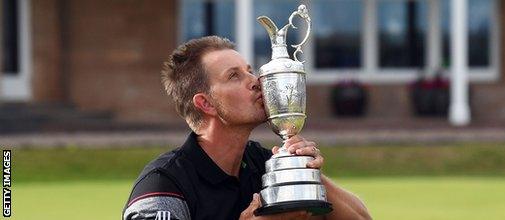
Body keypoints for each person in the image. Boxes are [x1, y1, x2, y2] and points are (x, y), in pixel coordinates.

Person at [122, 36, 371, 220]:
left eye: (249, 71)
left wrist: (307, 175)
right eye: (234, 76)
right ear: (205, 103)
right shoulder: (164, 185)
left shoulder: (264, 165)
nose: (255, 82)